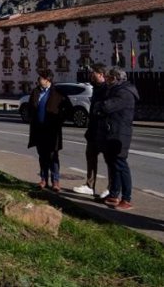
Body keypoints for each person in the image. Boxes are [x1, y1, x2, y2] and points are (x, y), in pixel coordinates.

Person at [95, 67, 139, 211]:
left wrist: (99, 106)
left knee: (121, 165)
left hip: (120, 133)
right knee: (113, 164)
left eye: (109, 78)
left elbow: (107, 106)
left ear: (116, 78)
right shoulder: (116, 90)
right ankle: (114, 194)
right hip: (113, 132)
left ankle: (126, 198)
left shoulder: (124, 93)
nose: (107, 81)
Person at [27, 68, 72, 192]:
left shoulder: (58, 92)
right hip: (39, 129)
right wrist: (32, 118)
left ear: (47, 80)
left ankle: (55, 181)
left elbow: (68, 109)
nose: (38, 80)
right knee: (42, 156)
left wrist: (59, 120)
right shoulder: (35, 92)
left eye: (41, 78)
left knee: (53, 156)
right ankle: (43, 179)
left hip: (52, 130)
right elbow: (31, 107)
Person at [73, 63, 111, 198]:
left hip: (104, 131)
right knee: (90, 156)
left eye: (93, 73)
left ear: (100, 74)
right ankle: (90, 185)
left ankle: (111, 187)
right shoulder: (95, 88)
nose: (90, 75)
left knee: (109, 160)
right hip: (93, 130)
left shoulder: (107, 89)